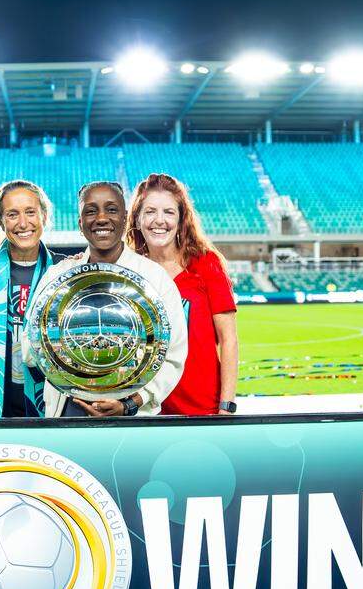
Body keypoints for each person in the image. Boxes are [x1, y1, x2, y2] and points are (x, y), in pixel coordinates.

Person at [23, 181, 187, 417]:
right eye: (90, 211)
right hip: (69, 411)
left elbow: (173, 356)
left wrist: (131, 403)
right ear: (80, 223)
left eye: (111, 209)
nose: (101, 218)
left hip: (132, 417)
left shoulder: (154, 279)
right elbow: (29, 350)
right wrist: (65, 362)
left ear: (125, 218)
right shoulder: (58, 277)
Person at [126, 173, 238, 415]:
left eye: (168, 212)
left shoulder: (206, 263)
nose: (159, 220)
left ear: (181, 219)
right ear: (136, 218)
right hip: (143, 409)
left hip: (202, 407)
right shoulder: (127, 269)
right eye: (150, 212)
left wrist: (226, 407)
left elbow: (228, 340)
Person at [0, 181, 65, 418]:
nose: (22, 223)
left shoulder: (63, 271)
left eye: (30, 212)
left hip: (49, 407)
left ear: (44, 216)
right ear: (0, 221)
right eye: (12, 214)